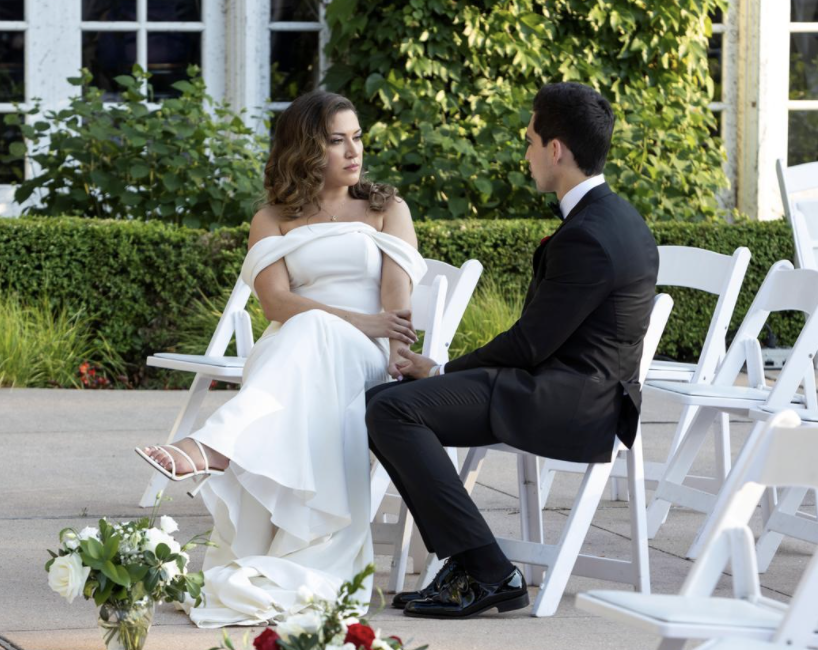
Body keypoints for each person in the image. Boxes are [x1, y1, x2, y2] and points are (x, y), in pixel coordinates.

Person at [365, 81, 660, 619]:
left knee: (391, 407)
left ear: (556, 150)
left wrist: (442, 369)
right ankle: (467, 562)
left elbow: (529, 343)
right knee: (390, 404)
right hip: (567, 387)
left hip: (570, 402)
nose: (524, 153)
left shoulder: (588, 235)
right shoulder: (617, 217)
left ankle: (487, 569)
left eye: (529, 140)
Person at [135, 90, 427, 628]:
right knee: (309, 328)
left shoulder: (388, 208)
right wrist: (357, 319)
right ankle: (224, 451)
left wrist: (397, 353)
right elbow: (275, 303)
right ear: (304, 150)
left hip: (364, 357)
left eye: (357, 137)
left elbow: (395, 302)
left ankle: (217, 446)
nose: (352, 151)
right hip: (292, 350)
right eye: (336, 140)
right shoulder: (271, 218)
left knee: (315, 327)